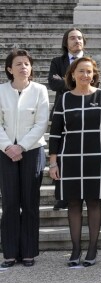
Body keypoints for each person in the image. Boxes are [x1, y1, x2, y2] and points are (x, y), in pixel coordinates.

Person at [48, 57, 101, 267]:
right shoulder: (64, 99)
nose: (85, 75)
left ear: (94, 75)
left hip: (97, 157)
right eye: (81, 71)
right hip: (69, 158)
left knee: (94, 201)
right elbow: (55, 132)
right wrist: (53, 162)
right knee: (73, 203)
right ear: (72, 74)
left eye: (89, 71)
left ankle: (92, 248)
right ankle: (76, 249)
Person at [0, 49, 49, 268]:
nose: (23, 67)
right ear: (10, 69)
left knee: (30, 202)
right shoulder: (1, 91)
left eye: (26, 63)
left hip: (32, 150)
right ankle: (10, 253)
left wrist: (22, 146)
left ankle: (29, 252)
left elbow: (41, 123)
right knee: (10, 202)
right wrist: (8, 146)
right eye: (18, 64)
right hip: (5, 151)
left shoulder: (40, 90)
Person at [48, 27, 87, 211]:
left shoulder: (90, 61)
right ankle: (62, 196)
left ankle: (86, 193)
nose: (76, 40)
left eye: (79, 38)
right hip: (62, 112)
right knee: (61, 154)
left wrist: (65, 81)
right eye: (72, 38)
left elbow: (94, 82)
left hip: (86, 113)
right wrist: (78, 82)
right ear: (66, 42)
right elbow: (52, 83)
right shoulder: (57, 61)